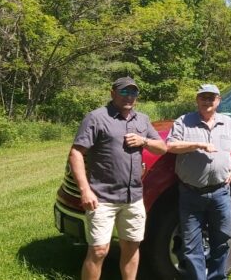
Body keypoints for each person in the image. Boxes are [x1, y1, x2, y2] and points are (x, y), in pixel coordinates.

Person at [69, 76, 167, 280]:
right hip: (102, 197)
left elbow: (162, 148)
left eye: (133, 92)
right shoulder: (96, 118)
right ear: (112, 93)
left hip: (133, 198)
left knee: (131, 246)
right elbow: (76, 153)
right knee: (98, 250)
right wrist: (85, 190)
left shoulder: (142, 120)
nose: (129, 96)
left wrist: (143, 141)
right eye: (124, 91)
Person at [166, 84, 231, 280]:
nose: (207, 101)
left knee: (222, 240)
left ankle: (218, 277)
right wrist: (198, 145)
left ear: (218, 101)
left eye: (211, 97)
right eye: (203, 97)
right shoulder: (184, 122)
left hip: (221, 192)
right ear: (197, 100)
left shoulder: (229, 124)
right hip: (191, 193)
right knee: (191, 244)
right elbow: (171, 146)